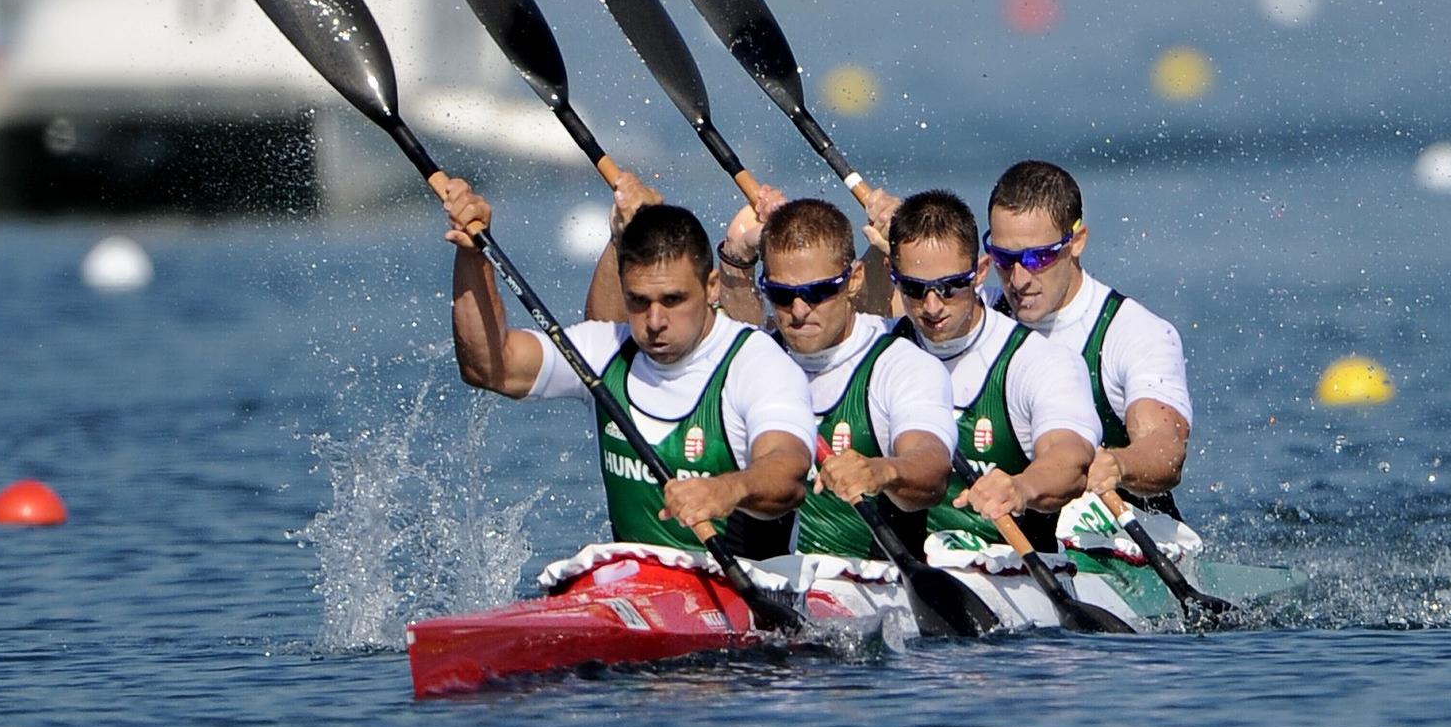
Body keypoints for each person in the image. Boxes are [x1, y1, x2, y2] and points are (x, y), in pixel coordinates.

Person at [436, 172, 813, 559]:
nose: (653, 321)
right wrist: (472, 254)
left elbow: (789, 471)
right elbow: (489, 368)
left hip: (748, 595)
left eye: (673, 300)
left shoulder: (756, 362)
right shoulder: (609, 349)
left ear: (712, 286)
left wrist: (727, 490)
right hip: (635, 591)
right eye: (638, 301)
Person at [718, 191, 955, 560]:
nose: (798, 310)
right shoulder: (752, 360)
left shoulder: (901, 365)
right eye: (781, 294)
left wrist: (882, 471)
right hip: (760, 584)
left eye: (818, 292)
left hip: (870, 589)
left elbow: (932, 466)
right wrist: (736, 255)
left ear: (855, 279)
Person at [873, 189, 1102, 552]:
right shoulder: (875, 349)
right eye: (915, 289)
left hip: (1010, 572)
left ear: (979, 272)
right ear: (892, 274)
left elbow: (1069, 458)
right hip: (903, 576)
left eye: (949, 288)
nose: (932, 307)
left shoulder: (1038, 362)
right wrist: (745, 264)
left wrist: (1021, 488)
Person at [983, 160, 1193, 520]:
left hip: (1119, 539)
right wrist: (889, 247)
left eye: (1038, 257)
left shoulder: (1133, 333)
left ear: (1077, 242)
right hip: (1015, 538)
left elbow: (1166, 451)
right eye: (1004, 258)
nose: (1018, 279)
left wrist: (1119, 463)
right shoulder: (979, 317)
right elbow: (885, 323)